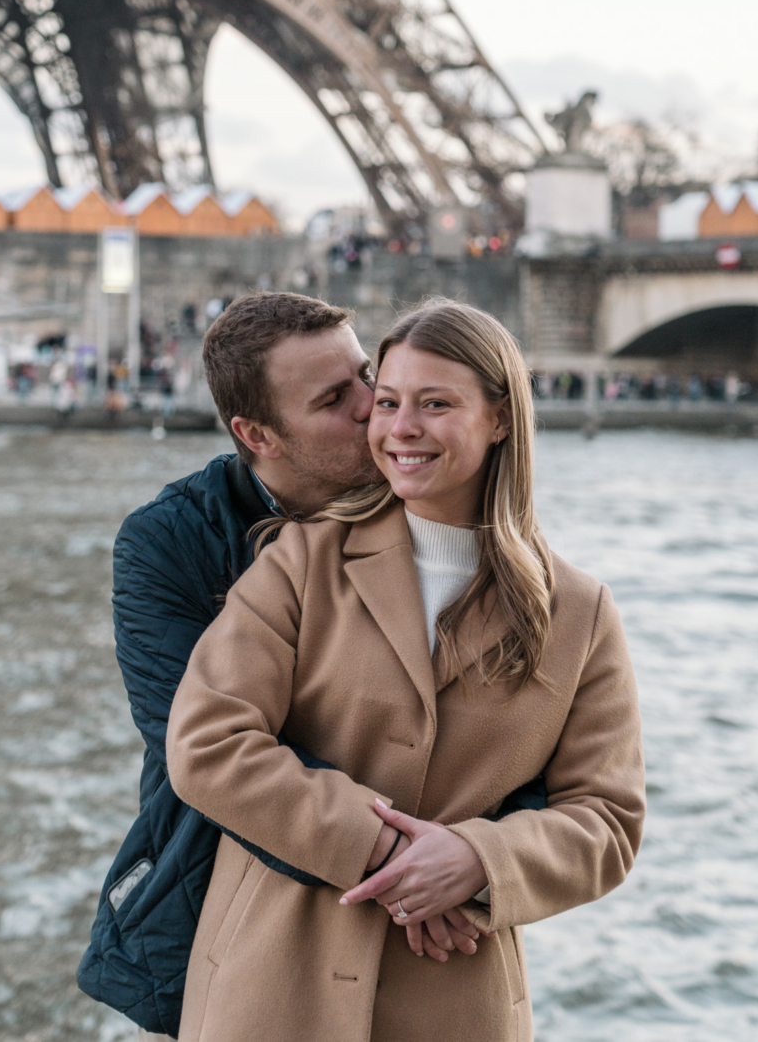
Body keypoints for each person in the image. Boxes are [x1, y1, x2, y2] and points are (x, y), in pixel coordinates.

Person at [166, 299, 646, 1042]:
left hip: (457, 1003)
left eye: (436, 404)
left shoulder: (580, 613)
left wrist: (479, 861)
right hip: (271, 986)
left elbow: (608, 820)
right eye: (386, 402)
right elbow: (207, 743)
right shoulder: (299, 562)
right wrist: (389, 853)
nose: (400, 427)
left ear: (501, 419)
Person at [79, 293, 544, 1038]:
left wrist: (481, 864)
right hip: (237, 906)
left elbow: (524, 749)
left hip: (432, 924)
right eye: (337, 399)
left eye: (368, 375)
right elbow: (201, 743)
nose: (375, 408)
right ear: (256, 433)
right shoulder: (166, 544)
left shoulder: (447, 515)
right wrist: (409, 867)